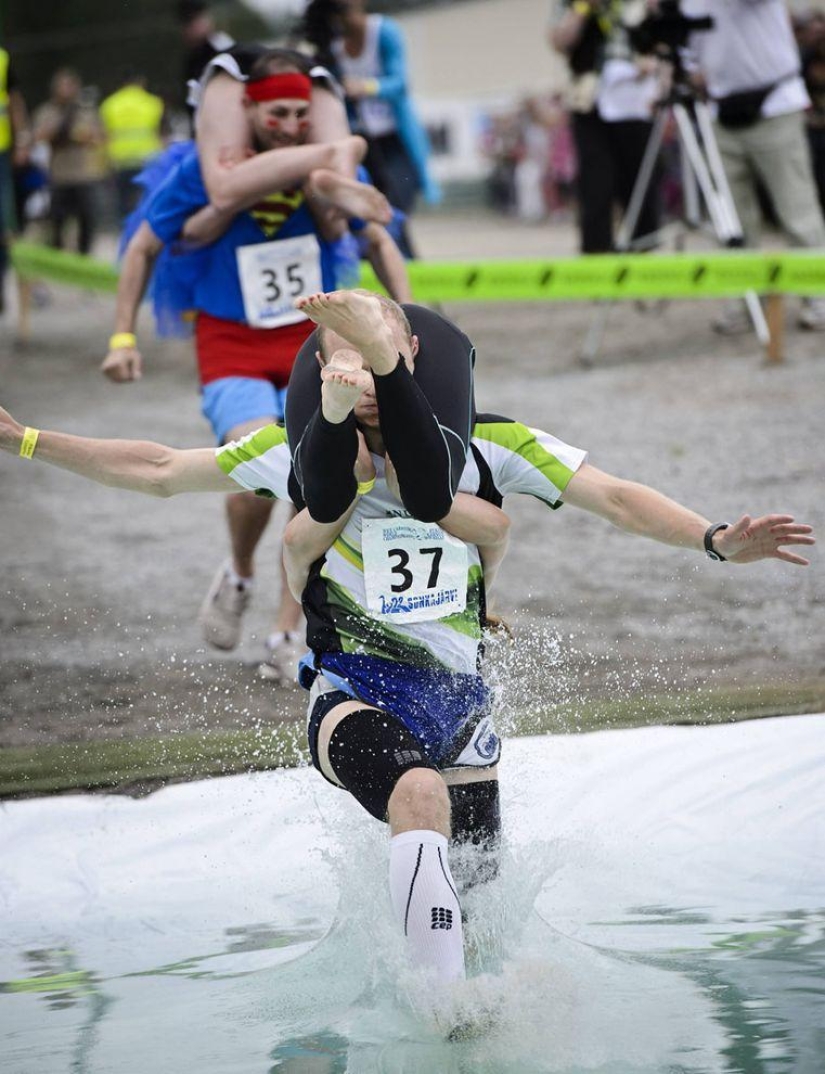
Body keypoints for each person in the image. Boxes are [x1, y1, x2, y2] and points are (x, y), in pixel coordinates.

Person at [0, 289, 814, 994]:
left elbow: (617, 497)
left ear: (409, 352)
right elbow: (157, 467)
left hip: (463, 709)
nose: (354, 375)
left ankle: (456, 997)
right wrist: (27, 440)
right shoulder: (296, 452)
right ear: (321, 371)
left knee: (484, 912)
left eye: (370, 352)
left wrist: (713, 539)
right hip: (348, 693)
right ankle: (438, 1010)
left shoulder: (491, 446)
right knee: (414, 794)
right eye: (336, 361)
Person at [100, 51, 404, 680]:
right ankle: (238, 571)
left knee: (312, 473)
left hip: (313, 338)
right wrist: (122, 334)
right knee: (252, 465)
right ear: (250, 110)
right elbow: (143, 244)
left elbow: (376, 237)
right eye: (278, 113)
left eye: (301, 113)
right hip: (230, 341)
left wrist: (411, 322)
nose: (292, 125)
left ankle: (287, 632)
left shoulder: (322, 166)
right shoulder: (205, 173)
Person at [680, 0, 825, 333]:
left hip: (775, 105)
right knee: (732, 219)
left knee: (797, 210)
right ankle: (745, 296)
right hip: (719, 109)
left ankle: (816, 292)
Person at [302, 0, 441, 257]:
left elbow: (400, 84)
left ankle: (403, 274)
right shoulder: (331, 46)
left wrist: (366, 87)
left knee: (392, 210)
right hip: (360, 146)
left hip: (394, 143)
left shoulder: (384, 31)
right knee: (370, 216)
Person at [549, 0, 662, 253]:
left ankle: (645, 264)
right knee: (595, 187)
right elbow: (558, 41)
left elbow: (663, 39)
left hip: (637, 104)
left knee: (641, 188)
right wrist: (582, 9)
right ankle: (597, 267)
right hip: (590, 103)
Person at [32, 68, 106, 255]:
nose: (66, 90)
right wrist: (59, 132)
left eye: (70, 85)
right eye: (62, 86)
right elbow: (38, 136)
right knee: (56, 220)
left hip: (83, 174)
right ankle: (57, 255)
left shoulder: (85, 111)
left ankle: (84, 256)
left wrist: (79, 135)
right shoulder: (47, 111)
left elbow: (99, 137)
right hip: (59, 175)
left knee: (87, 219)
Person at [98, 72, 166, 221]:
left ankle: (124, 231)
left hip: (119, 159)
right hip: (147, 158)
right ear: (141, 82)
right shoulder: (153, 102)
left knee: (122, 202)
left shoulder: (110, 104)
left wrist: (103, 160)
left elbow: (104, 135)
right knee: (145, 200)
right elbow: (160, 132)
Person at [0, 43, 30, 314]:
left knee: (4, 225)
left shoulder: (2, 59)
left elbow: (15, 101)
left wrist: (21, 140)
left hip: (1, 150)